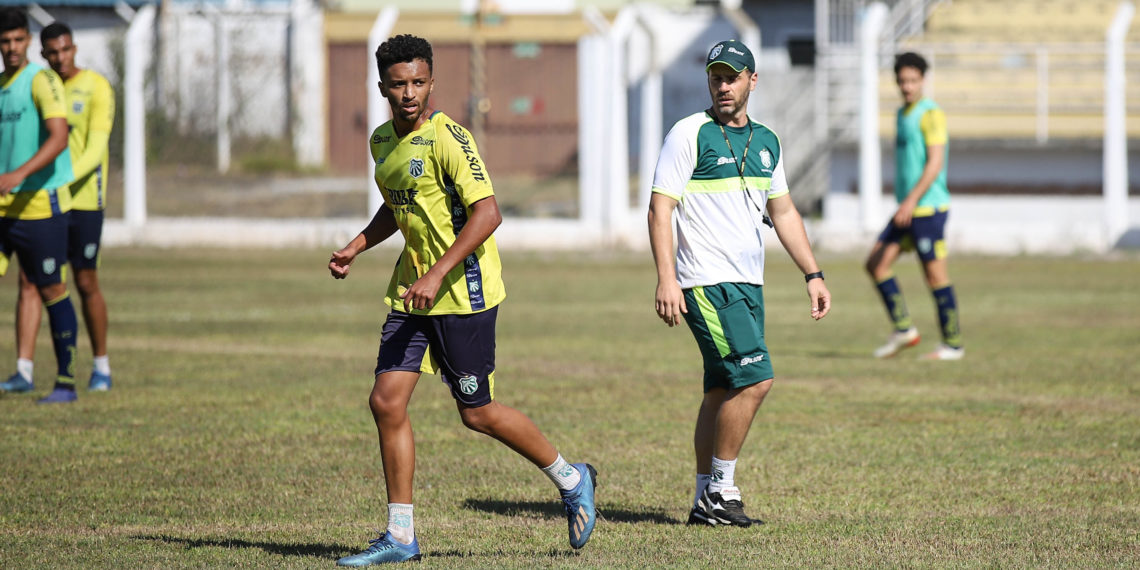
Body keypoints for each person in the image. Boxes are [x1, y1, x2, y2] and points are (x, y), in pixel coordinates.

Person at [327, 34, 596, 566]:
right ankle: (401, 536)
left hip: (463, 293)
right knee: (386, 402)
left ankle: (572, 478)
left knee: (477, 413)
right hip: (413, 292)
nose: (409, 94)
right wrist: (358, 245)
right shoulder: (382, 140)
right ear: (382, 86)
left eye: (419, 83)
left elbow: (488, 213)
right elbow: (398, 207)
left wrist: (438, 275)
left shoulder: (449, 138)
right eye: (399, 84)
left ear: (432, 82)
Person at [648, 39, 831, 528]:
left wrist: (812, 273)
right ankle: (721, 490)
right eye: (716, 77)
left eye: (732, 77)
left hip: (749, 283)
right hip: (707, 281)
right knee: (756, 378)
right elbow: (660, 208)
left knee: (720, 390)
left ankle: (701, 499)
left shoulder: (767, 141)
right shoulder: (689, 134)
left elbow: (784, 211)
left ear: (753, 80)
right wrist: (667, 278)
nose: (723, 86)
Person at [5, 22, 115, 393]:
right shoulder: (36, 85)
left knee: (84, 281)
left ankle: (100, 365)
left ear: (75, 48)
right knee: (31, 281)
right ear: (44, 54)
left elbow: (95, 149)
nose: (59, 58)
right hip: (42, 200)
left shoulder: (96, 87)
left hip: (81, 200)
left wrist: (56, 182)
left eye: (65, 50)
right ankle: (25, 370)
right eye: (52, 52)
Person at [0, 8, 80, 404]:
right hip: (3, 210)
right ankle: (22, 373)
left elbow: (59, 138)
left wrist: (18, 174)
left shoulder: (43, 80)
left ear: (28, 41)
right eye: (5, 41)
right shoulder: (1, 85)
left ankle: (66, 382)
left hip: (41, 207)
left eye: (18, 40)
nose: (12, 48)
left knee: (50, 288)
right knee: (27, 287)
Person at [864, 52, 963, 360]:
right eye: (902, 81)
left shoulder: (931, 114)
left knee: (935, 277)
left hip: (927, 210)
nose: (907, 86)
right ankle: (904, 329)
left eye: (913, 80)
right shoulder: (900, 114)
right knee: (875, 264)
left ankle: (952, 345)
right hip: (907, 209)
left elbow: (934, 164)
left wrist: (909, 200)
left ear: (923, 80)